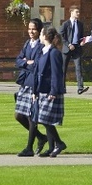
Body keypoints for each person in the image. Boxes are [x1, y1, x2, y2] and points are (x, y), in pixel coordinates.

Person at [33, 28, 68, 156]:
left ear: (45, 36)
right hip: (43, 90)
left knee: (44, 119)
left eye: (41, 34)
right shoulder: (43, 51)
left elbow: (56, 74)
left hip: (51, 91)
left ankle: (59, 143)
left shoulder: (54, 53)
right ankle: (51, 148)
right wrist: (35, 91)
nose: (39, 37)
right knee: (44, 119)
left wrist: (53, 91)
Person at [14, 20, 46, 156]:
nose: (31, 31)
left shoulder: (41, 46)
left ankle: (29, 148)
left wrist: (25, 62)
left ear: (39, 30)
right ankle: (41, 137)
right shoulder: (27, 43)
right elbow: (18, 60)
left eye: (33, 29)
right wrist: (27, 62)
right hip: (25, 82)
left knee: (32, 116)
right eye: (29, 29)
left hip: (34, 83)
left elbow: (37, 65)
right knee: (19, 115)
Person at [59, 6, 88, 94]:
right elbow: (61, 35)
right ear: (71, 12)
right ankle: (62, 87)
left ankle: (80, 87)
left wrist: (82, 41)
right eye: (76, 12)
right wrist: (68, 44)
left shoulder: (80, 24)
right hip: (67, 48)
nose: (78, 14)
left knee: (78, 67)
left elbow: (81, 36)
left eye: (78, 12)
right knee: (63, 68)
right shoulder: (66, 24)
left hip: (77, 48)